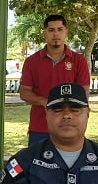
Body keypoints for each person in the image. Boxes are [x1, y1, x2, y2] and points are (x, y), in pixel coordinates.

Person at [19, 14, 90, 145]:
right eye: (51, 30)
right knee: (37, 164)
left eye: (60, 29)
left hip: (70, 125)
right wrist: (44, 101)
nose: (56, 34)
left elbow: (84, 93)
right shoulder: (31, 62)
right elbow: (24, 92)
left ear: (66, 32)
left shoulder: (79, 61)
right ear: (44, 34)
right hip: (39, 126)